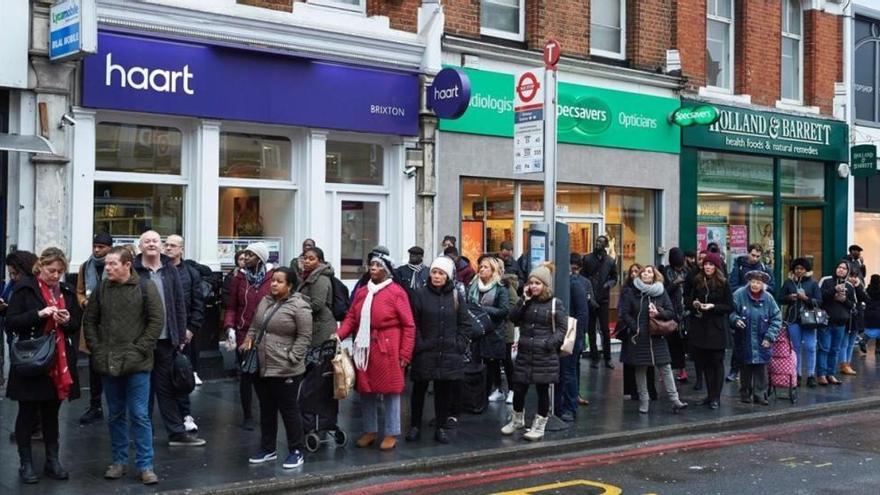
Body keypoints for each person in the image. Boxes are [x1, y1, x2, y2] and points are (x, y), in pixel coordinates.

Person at [84, 246, 164, 485]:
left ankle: (145, 465)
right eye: (106, 264)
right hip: (108, 361)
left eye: (112, 264)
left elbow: (156, 321)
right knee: (116, 414)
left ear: (127, 265)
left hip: (137, 364)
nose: (107, 268)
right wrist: (97, 349)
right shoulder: (102, 289)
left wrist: (140, 348)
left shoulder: (145, 286)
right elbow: (89, 321)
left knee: (139, 414)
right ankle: (118, 462)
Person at [6, 248, 82, 484]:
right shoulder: (25, 288)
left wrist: (67, 320)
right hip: (32, 359)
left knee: (51, 413)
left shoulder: (66, 291)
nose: (55, 276)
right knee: (27, 413)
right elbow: (11, 322)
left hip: (58, 362)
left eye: (60, 271)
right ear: (40, 267)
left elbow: (76, 325)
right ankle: (26, 463)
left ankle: (53, 460)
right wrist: (39, 314)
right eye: (51, 271)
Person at [337, 251, 415, 451]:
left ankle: (391, 432)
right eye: (371, 264)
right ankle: (370, 430)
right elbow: (352, 318)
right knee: (366, 390)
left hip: (388, 347)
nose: (373, 268)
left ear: (387, 270)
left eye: (378, 265)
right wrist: (338, 335)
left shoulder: (397, 292)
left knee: (391, 391)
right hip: (364, 347)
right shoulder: (363, 292)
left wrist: (405, 353)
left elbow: (409, 325)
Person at [134, 231, 205, 447]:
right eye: (147, 241)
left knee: (167, 388)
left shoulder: (170, 270)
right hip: (141, 341)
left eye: (156, 241)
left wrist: (181, 333)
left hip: (167, 339)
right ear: (141, 246)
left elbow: (179, 303)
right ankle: (142, 436)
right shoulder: (133, 271)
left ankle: (175, 432)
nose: (152, 244)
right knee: (142, 391)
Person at [242, 267, 312, 469]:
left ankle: (296, 450)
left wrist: (292, 357)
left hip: (285, 367)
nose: (273, 284)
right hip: (262, 365)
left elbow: (304, 336)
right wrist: (248, 340)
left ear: (289, 285)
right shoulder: (265, 301)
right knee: (266, 408)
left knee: (289, 410)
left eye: (279, 281)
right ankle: (268, 448)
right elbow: (255, 326)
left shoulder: (300, 306)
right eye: (273, 280)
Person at [407, 256, 474, 444]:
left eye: (441, 273)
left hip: (449, 351)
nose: (436, 276)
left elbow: (464, 323)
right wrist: (419, 344)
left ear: (448, 276)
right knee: (419, 390)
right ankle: (415, 426)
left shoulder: (455, 295)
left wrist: (459, 343)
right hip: (425, 351)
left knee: (443, 392)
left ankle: (441, 427)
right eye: (434, 272)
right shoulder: (420, 294)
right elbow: (414, 323)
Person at [502, 262, 567, 441]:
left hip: (544, 354)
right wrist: (523, 300)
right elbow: (513, 318)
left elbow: (562, 328)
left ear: (545, 285)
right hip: (524, 353)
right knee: (518, 389)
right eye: (531, 283)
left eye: (537, 283)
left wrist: (549, 344)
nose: (533, 286)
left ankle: (539, 426)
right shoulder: (527, 301)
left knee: (542, 390)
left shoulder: (555, 303)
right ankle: (517, 420)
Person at [619, 265, 688, 414]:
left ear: (654, 276)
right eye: (643, 272)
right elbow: (624, 313)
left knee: (666, 367)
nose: (645, 274)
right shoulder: (632, 292)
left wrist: (658, 312)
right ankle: (644, 401)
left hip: (657, 336)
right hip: (640, 336)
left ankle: (675, 399)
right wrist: (634, 326)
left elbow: (670, 312)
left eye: (649, 272)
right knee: (641, 369)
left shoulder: (661, 292)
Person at [225, 242, 276, 430]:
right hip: (243, 332)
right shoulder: (239, 278)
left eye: (250, 255)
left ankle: (267, 413)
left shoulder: (272, 278)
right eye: (245, 254)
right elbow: (232, 306)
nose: (245, 257)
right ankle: (247, 415)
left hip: (267, 333)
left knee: (264, 376)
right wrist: (230, 326)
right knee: (246, 374)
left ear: (260, 258)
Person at [163, 235, 205, 432]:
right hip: (161, 332)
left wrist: (191, 329)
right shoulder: (159, 270)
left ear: (181, 249)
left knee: (181, 374)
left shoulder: (190, 273)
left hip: (182, 332)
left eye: (173, 245)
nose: (168, 248)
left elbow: (198, 303)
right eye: (166, 244)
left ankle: (185, 414)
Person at [76, 232, 114, 425]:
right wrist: (84, 302)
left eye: (101, 247)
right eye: (95, 246)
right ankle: (95, 405)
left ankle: (116, 406)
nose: (97, 250)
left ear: (110, 248)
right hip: (92, 322)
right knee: (93, 367)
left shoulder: (116, 266)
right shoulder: (86, 266)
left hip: (113, 323)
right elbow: (80, 291)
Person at [686, 253, 733, 409]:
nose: (708, 267)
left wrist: (713, 306)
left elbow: (729, 306)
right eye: (706, 264)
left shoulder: (724, 283)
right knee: (705, 362)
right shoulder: (697, 281)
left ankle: (716, 397)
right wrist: (695, 304)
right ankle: (709, 395)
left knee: (717, 362)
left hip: (717, 328)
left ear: (716, 267)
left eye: (711, 265)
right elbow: (688, 300)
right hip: (700, 327)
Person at [730, 270, 782, 405]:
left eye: (758, 282)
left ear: (763, 284)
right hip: (744, 338)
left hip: (762, 338)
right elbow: (730, 310)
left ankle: (760, 394)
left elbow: (776, 318)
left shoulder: (769, 298)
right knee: (745, 366)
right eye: (753, 281)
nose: (755, 285)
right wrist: (735, 319)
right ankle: (745, 393)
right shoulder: (739, 295)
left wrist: (770, 337)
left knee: (761, 368)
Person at [727, 244, 774, 382]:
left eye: (758, 256)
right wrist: (749, 288)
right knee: (740, 343)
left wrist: (762, 287)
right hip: (743, 307)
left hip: (761, 308)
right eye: (753, 255)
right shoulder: (739, 266)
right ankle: (735, 370)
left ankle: (756, 379)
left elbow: (773, 285)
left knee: (759, 344)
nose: (755, 258)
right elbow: (733, 286)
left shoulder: (765, 269)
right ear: (748, 253)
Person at [555, 253, 594, 421]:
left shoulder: (575, 284)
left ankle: (570, 407)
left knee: (568, 372)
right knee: (562, 373)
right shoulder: (561, 283)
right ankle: (560, 405)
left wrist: (576, 337)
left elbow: (582, 312)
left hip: (571, 335)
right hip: (560, 335)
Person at [468, 256, 511, 402]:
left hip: (494, 332)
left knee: (491, 364)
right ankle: (478, 394)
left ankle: (494, 389)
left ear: (493, 271)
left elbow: (504, 310)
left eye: (486, 267)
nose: (482, 269)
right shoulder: (473, 285)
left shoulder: (500, 288)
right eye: (481, 266)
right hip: (476, 331)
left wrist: (483, 309)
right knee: (475, 363)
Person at [779, 258, 822, 387]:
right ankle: (796, 375)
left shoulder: (813, 284)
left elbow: (819, 301)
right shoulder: (788, 283)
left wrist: (806, 299)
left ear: (806, 270)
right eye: (797, 269)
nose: (799, 271)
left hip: (809, 320)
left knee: (810, 347)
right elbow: (780, 298)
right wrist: (789, 298)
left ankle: (810, 375)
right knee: (795, 348)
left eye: (802, 269)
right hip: (793, 319)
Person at [1, 251, 39, 395]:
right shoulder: (12, 285)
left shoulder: (29, 286)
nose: (12, 277)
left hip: (29, 341)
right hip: (14, 336)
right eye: (10, 274)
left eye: (15, 273)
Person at [618, 263, 656, 402]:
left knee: (648, 362)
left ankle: (649, 391)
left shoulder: (649, 290)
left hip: (646, 330)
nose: (634, 273)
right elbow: (623, 311)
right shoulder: (627, 291)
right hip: (631, 330)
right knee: (630, 362)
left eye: (636, 271)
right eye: (631, 271)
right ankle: (631, 391)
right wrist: (634, 326)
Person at [581, 235, 617, 369]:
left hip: (603, 298)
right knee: (591, 329)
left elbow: (615, 278)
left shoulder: (610, 261)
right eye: (596, 241)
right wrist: (587, 292)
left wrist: (609, 284)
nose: (597, 244)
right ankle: (594, 356)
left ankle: (607, 357)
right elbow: (583, 277)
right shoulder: (587, 258)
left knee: (605, 330)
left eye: (601, 242)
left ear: (606, 245)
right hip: (591, 298)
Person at [818, 261, 856, 386]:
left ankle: (831, 373)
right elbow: (819, 298)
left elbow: (852, 305)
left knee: (835, 349)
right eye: (839, 267)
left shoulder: (849, 286)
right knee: (824, 348)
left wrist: (844, 300)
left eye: (844, 269)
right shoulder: (826, 281)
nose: (841, 270)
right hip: (826, 321)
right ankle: (821, 375)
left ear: (847, 272)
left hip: (841, 322)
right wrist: (833, 291)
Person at [295, 246, 337, 348]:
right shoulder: (309, 275)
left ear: (320, 261)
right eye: (305, 258)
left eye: (311, 259)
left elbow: (317, 304)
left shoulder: (320, 278)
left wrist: (297, 302)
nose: (307, 261)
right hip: (314, 325)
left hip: (321, 328)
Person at [663, 248, 690, 382]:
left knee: (681, 343)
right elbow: (664, 292)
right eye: (677, 265)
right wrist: (675, 283)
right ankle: (667, 371)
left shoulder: (687, 271)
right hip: (671, 311)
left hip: (684, 312)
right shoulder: (666, 271)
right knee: (669, 342)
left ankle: (682, 369)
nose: (680, 268)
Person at [838, 270, 866, 376]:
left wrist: (858, 286)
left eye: (855, 276)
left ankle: (847, 363)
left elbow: (865, 298)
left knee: (851, 343)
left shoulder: (858, 286)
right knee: (844, 343)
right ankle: (843, 364)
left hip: (856, 317)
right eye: (851, 276)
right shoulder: (843, 285)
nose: (853, 278)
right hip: (846, 317)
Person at [863, 274, 880, 355]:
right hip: (878, 312)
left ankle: (864, 340)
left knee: (869, 329)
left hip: (869, 312)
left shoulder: (867, 290)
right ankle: (878, 348)